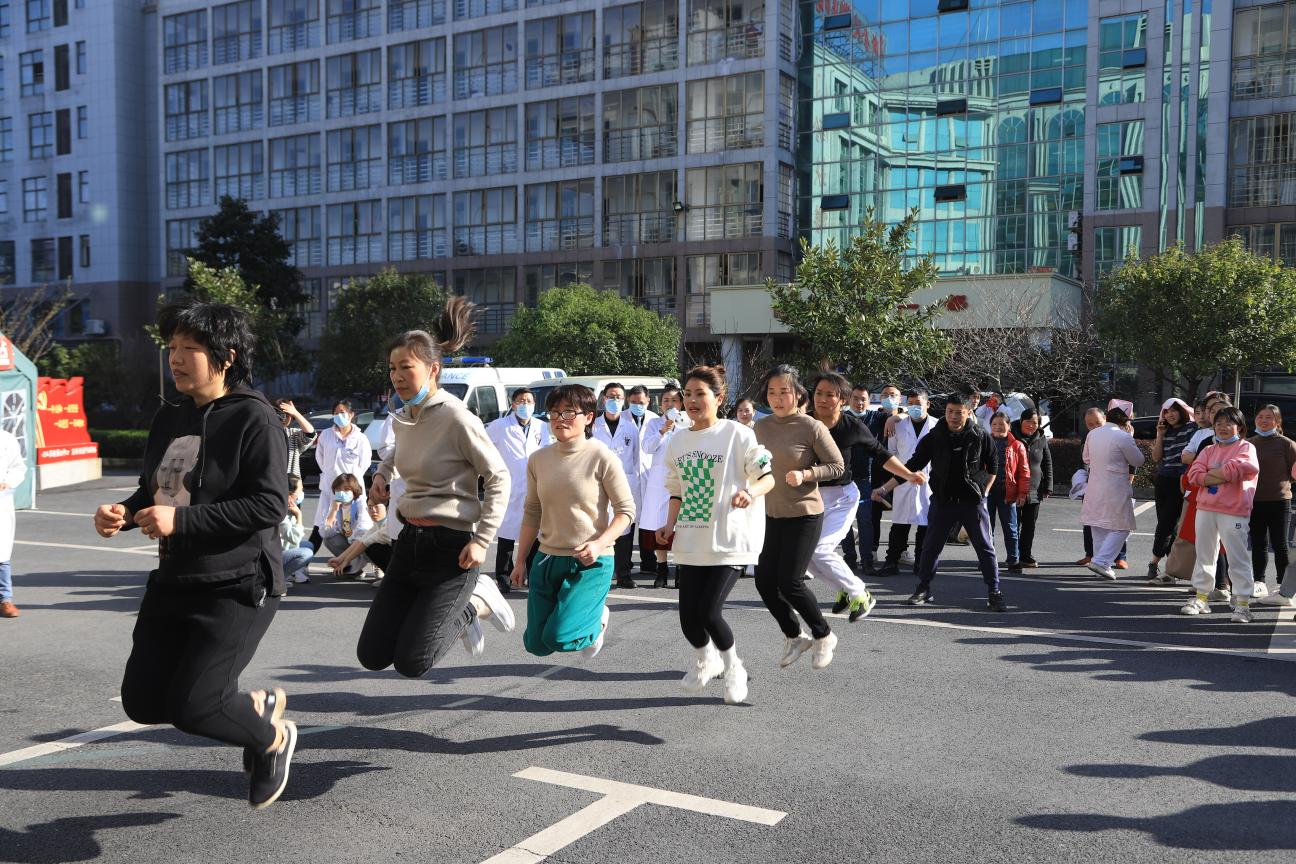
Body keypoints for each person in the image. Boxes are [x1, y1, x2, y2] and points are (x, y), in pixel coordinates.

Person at [94, 300, 297, 810]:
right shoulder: (171, 416)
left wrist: (180, 521)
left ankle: (271, 739)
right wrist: (121, 511)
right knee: (142, 704)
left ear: (226, 356)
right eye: (171, 348)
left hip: (238, 584)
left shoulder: (257, 419)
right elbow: (155, 491)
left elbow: (270, 504)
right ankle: (258, 708)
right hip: (174, 581)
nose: (177, 359)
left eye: (190, 349)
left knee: (195, 707)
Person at [359, 298, 515, 677]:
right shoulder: (403, 417)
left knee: (413, 663)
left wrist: (482, 542)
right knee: (373, 655)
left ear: (433, 368)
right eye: (392, 368)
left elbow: (498, 476)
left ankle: (475, 603)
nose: (396, 375)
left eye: (405, 368)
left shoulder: (458, 418)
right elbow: (399, 452)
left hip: (452, 549)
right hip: (408, 544)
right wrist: (382, 473)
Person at [656, 365, 772, 704]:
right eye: (687, 395)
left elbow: (768, 477)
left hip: (729, 539)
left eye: (700, 394)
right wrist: (669, 524)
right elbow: (676, 490)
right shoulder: (677, 441)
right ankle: (706, 659)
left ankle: (733, 667)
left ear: (719, 398)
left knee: (708, 612)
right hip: (691, 538)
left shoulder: (738, 434)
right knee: (688, 620)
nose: (691, 401)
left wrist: (750, 493)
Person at [510, 384, 636, 659]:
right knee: (537, 645)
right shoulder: (538, 459)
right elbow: (532, 511)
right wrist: (520, 561)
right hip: (547, 558)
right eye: (554, 413)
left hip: (591, 561)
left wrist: (600, 544)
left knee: (560, 637)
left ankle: (597, 620)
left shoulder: (602, 456)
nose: (559, 419)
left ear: (588, 417)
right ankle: (579, 616)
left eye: (569, 412)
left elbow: (626, 511)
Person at [874, 392, 1007, 611]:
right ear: (945, 411)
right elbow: (912, 465)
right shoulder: (934, 437)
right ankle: (923, 589)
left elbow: (992, 467)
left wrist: (983, 493)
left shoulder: (980, 435)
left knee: (985, 548)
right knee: (930, 547)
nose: (954, 416)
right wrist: (884, 488)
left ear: (968, 413)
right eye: (950, 411)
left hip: (972, 502)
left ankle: (994, 591)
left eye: (959, 412)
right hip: (942, 501)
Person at [810, 373, 925, 620]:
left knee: (820, 550)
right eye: (818, 393)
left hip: (842, 497)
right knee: (807, 557)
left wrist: (909, 474)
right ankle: (844, 589)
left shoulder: (851, 426)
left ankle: (861, 594)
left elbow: (881, 454)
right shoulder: (806, 423)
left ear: (841, 400)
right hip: (812, 497)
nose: (822, 399)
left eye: (830, 394)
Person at [753, 365, 845, 670]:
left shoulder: (811, 427)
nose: (777, 398)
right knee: (765, 582)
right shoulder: (760, 427)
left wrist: (806, 473)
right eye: (772, 392)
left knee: (790, 582)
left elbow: (836, 466)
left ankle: (824, 635)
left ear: (797, 394)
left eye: (784, 392)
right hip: (771, 514)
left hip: (805, 514)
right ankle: (795, 636)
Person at [1181, 406, 1260, 622]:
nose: (1222, 427)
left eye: (1228, 423)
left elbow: (1244, 468)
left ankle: (1243, 604)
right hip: (1206, 508)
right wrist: (1224, 475)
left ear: (1240, 426)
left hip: (1234, 510)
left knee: (1237, 556)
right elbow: (1194, 475)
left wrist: (1211, 475)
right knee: (1205, 554)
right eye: (1218, 423)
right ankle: (1201, 598)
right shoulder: (1208, 450)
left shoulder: (1247, 447)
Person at [486, 388, 549, 594]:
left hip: (535, 486)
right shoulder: (500, 426)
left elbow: (549, 452)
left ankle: (531, 573)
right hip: (510, 487)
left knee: (534, 533)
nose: (526, 405)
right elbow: (483, 447)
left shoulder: (542, 427)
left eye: (530, 401)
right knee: (506, 535)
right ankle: (504, 575)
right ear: (513, 404)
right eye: (521, 401)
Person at [1080, 400, 1145, 580]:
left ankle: (1102, 564)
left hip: (1094, 485)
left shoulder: (1093, 435)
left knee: (1099, 527)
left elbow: (1086, 459)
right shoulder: (1122, 436)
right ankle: (1101, 562)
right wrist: (1130, 438)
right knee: (1122, 527)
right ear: (1127, 419)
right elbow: (1138, 461)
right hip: (1115, 487)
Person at [878, 389, 937, 576]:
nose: (914, 407)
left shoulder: (937, 426)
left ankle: (921, 562)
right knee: (899, 524)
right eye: (910, 403)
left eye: (918, 403)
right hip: (902, 480)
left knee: (925, 526)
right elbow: (892, 454)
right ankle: (891, 562)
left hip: (929, 482)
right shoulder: (898, 426)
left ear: (927, 404)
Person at [591, 382, 642, 589]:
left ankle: (624, 574)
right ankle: (597, 571)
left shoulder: (631, 428)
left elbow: (637, 457)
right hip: (598, 483)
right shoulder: (593, 425)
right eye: (611, 397)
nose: (615, 401)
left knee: (624, 530)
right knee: (599, 525)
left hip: (624, 482)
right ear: (604, 399)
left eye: (619, 397)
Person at [640, 384, 688, 589]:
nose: (670, 404)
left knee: (679, 525)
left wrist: (677, 426)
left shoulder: (688, 422)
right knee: (658, 523)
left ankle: (679, 569)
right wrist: (662, 430)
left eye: (674, 400)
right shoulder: (653, 423)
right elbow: (647, 447)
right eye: (666, 400)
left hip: (682, 478)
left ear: (681, 403)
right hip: (659, 480)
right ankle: (661, 568)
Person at [309, 399, 373, 552]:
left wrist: (349, 483)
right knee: (322, 526)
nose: (339, 416)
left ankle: (366, 561)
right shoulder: (325, 435)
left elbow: (364, 463)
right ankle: (303, 566)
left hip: (352, 489)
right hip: (330, 488)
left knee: (358, 526)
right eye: (336, 413)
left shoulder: (360, 438)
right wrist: (332, 478)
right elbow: (321, 459)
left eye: (343, 413)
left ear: (351, 415)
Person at [1248, 404, 1296, 606]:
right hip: (1254, 500)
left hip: (1279, 500)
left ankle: (1281, 586)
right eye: (1260, 417)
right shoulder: (1249, 444)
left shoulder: (1287, 444)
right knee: (1258, 544)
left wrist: (1282, 487)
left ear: (1277, 422)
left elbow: (1293, 473)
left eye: (1269, 417)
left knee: (1281, 545)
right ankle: (1259, 582)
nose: (1264, 420)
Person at [1146, 398, 1197, 582]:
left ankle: (1154, 562)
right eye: (1166, 412)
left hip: (1180, 481)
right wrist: (1160, 435)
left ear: (1183, 411)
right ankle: (1171, 567)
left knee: (1166, 523)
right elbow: (1156, 457)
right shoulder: (1165, 431)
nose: (1170, 415)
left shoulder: (1193, 428)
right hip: (1163, 479)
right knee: (1167, 524)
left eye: (1174, 410)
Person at [839, 384, 882, 573]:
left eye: (863, 399)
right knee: (845, 522)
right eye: (856, 398)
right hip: (843, 478)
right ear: (849, 399)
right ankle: (849, 558)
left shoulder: (875, 417)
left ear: (869, 400)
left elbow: (899, 416)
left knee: (865, 521)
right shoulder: (841, 419)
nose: (859, 402)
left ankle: (867, 561)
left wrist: (892, 419)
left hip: (865, 478)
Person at [987, 412, 1029, 572]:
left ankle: (1013, 560)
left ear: (1009, 426)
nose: (998, 427)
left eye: (1001, 424)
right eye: (994, 424)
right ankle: (988, 559)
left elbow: (1024, 472)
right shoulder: (985, 441)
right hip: (987, 492)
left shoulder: (1017, 445)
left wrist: (1022, 493)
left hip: (1008, 494)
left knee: (1011, 529)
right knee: (986, 529)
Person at [626, 384, 661, 579]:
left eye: (641, 402)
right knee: (627, 521)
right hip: (629, 476)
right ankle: (625, 561)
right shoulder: (622, 420)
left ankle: (649, 561)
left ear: (648, 401)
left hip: (649, 475)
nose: (637, 405)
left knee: (648, 520)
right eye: (633, 402)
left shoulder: (655, 420)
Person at [1011, 408, 1052, 568]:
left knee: (1029, 525)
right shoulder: (1011, 435)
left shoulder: (1041, 438)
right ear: (1021, 421)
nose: (1031, 425)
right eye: (1028, 421)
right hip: (1014, 487)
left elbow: (1047, 462)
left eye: (1035, 422)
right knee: (1013, 524)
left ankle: (1025, 555)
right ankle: (1013, 555)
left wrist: (1048, 485)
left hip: (1034, 488)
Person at [321, 474, 374, 579]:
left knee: (368, 547)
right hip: (351, 543)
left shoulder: (361, 505)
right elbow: (324, 533)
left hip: (364, 543)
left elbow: (362, 532)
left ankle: (378, 566)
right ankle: (353, 569)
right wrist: (333, 511)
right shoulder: (336, 507)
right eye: (338, 489)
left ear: (354, 492)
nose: (342, 492)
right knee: (329, 540)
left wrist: (343, 559)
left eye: (346, 489)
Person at [0, 427, 27, 619]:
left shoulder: (6, 439)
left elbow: (19, 468)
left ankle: (4, 600)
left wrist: (7, 482)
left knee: (1, 555)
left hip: (1, 501)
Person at [281, 475, 312, 586]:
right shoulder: (282, 513)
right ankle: (280, 578)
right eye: (300, 490)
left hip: (284, 549)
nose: (302, 493)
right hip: (276, 555)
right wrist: (299, 515)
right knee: (306, 553)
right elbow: (294, 539)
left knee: (308, 545)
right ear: (290, 495)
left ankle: (294, 573)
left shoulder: (289, 509)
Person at [274, 398, 316, 481]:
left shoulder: (293, 434)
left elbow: (311, 433)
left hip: (292, 485)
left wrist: (295, 413)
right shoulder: (264, 433)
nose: (282, 418)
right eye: (278, 414)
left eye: (286, 414)